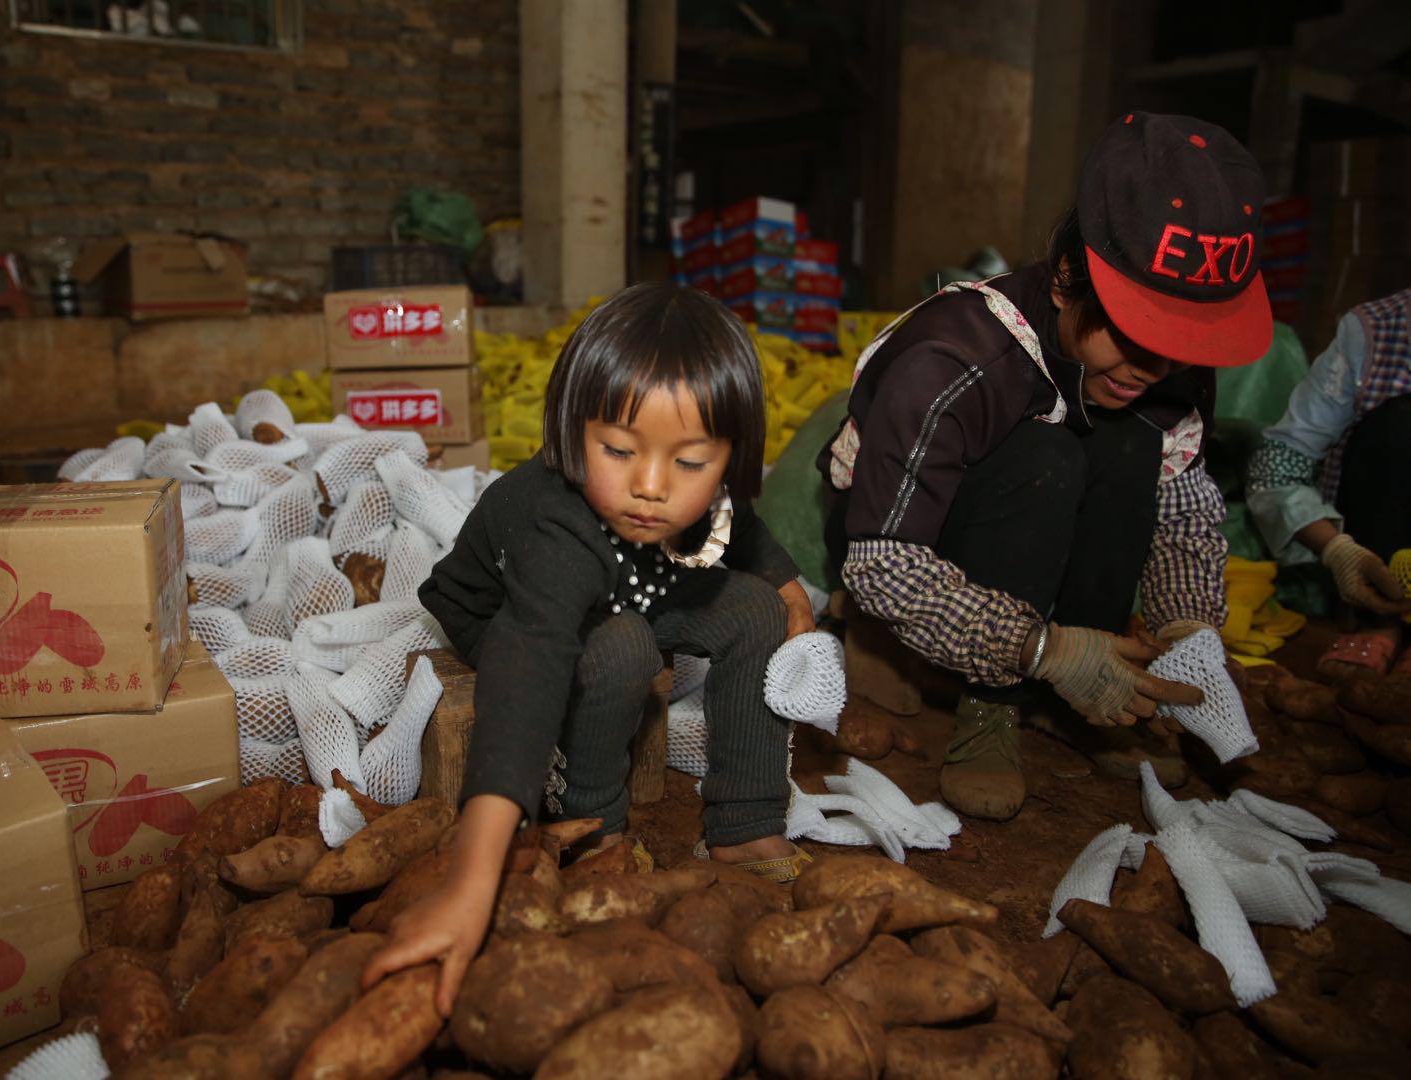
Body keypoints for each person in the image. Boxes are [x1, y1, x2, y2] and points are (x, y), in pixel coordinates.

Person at [363, 282, 815, 1013]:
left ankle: (744, 824)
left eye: (691, 463)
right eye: (617, 449)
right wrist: (473, 883)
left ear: (729, 460)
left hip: (637, 580)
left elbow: (738, 527)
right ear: (573, 431)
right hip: (508, 609)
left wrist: (788, 590)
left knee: (753, 612)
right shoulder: (560, 531)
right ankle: (593, 824)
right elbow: (529, 663)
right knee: (620, 649)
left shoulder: (685, 499)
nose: (650, 487)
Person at [820, 111, 1271, 821]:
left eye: (1177, 342)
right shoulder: (958, 355)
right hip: (907, 532)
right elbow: (883, 564)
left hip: (1042, 542)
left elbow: (1182, 510)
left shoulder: (1164, 372)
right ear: (1067, 279)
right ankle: (991, 700)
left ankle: (1092, 691)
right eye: (1137, 333)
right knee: (1046, 453)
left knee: (1130, 442)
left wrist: (1189, 633)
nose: (1153, 367)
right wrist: (1041, 650)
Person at [1246, 288, 1411, 679]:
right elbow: (1276, 468)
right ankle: (1379, 619)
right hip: (1385, 552)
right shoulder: (1376, 333)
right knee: (1398, 426)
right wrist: (1338, 550)